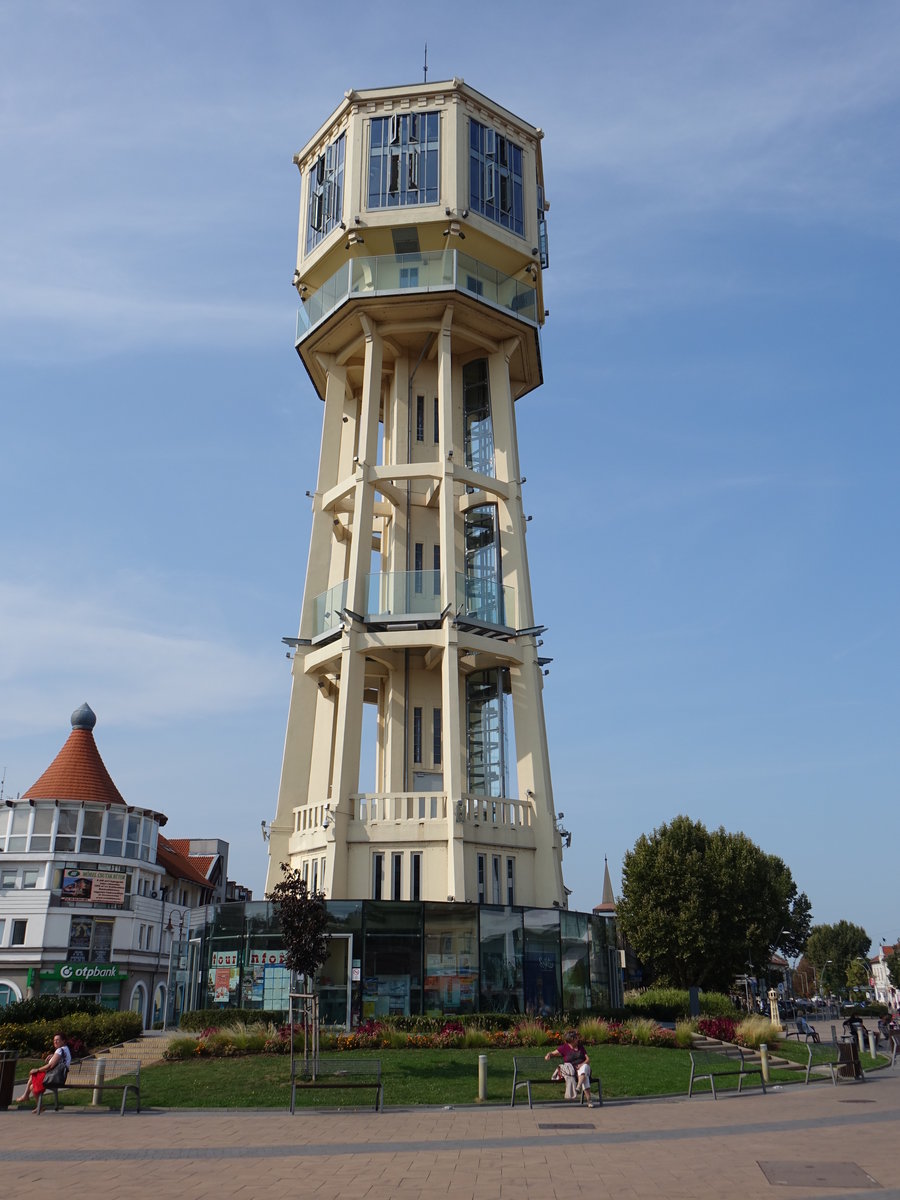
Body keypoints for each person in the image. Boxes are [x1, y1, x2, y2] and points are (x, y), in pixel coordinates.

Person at [16, 1032, 71, 1111]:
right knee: (32, 1086)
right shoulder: (64, 1049)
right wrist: (53, 1055)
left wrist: (37, 1069)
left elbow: (50, 1066)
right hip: (60, 1077)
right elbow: (61, 1060)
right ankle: (39, 1105)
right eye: (54, 1040)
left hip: (55, 1078)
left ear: (63, 1041)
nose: (55, 1042)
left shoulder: (60, 1050)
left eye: (58, 1040)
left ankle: (26, 1096)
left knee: (34, 1074)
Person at [545, 1029, 594, 1107]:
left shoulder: (580, 1047)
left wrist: (581, 1064)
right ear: (572, 1040)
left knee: (584, 1068)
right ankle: (589, 1101)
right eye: (576, 1038)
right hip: (574, 1071)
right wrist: (548, 1055)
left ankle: (578, 1086)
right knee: (585, 1077)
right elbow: (552, 1053)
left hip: (584, 1067)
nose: (578, 1039)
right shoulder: (564, 1048)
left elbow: (588, 1059)